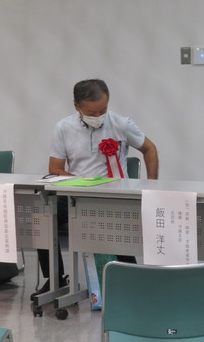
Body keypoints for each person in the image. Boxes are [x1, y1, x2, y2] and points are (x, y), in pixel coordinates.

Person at [33, 78, 158, 299]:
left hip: (114, 196)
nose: (99, 116)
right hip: (76, 195)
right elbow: (55, 169)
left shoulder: (121, 124)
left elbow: (149, 148)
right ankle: (55, 279)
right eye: (92, 112)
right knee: (41, 217)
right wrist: (81, 182)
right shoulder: (63, 128)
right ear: (76, 107)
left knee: (114, 229)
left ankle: (132, 279)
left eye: (103, 110)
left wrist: (151, 184)